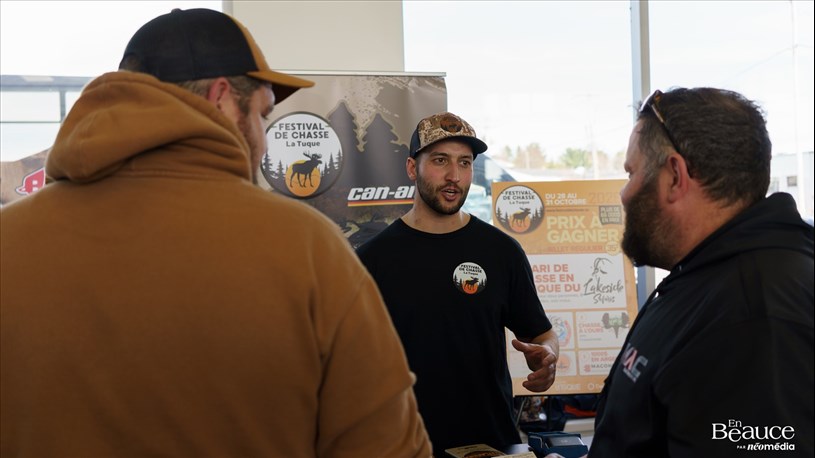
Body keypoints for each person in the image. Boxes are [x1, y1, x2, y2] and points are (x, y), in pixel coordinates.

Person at [0, 8, 431, 457]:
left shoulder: (8, 242)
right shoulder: (307, 248)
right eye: (262, 115)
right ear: (221, 98)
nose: (264, 139)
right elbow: (388, 448)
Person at [588, 87, 814, 457]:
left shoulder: (754, 316)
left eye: (631, 173)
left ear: (675, 176)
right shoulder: (707, 275)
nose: (624, 194)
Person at [356, 111, 560, 456]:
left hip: (491, 444)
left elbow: (541, 334)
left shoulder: (501, 251)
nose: (454, 176)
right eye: (440, 160)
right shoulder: (372, 260)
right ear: (412, 168)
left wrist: (548, 358)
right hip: (404, 445)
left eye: (464, 163)